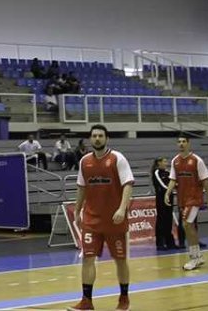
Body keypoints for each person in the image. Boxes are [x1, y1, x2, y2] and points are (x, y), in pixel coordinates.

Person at [67, 125, 133, 311]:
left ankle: (124, 298)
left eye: (100, 136)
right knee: (87, 258)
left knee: (120, 260)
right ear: (90, 139)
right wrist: (78, 211)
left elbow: (128, 184)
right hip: (92, 220)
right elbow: (82, 187)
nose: (97, 139)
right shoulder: (84, 162)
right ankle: (86, 301)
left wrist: (122, 209)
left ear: (106, 138)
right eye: (94, 136)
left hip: (115, 220)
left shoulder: (117, 158)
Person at [165, 133, 208, 271]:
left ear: (188, 143)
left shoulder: (196, 160)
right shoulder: (175, 161)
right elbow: (173, 179)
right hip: (182, 199)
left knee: (187, 224)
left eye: (183, 141)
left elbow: (205, 181)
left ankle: (195, 257)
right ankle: (197, 255)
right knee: (189, 226)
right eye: (179, 141)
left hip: (194, 198)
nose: (181, 144)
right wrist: (168, 192)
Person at [151, 157, 178, 251]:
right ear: (159, 163)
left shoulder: (168, 173)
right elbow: (163, 185)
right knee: (161, 220)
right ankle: (160, 243)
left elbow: (174, 182)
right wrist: (169, 190)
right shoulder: (156, 173)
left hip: (170, 198)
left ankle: (170, 242)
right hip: (161, 199)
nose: (166, 163)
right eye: (164, 161)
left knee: (169, 220)